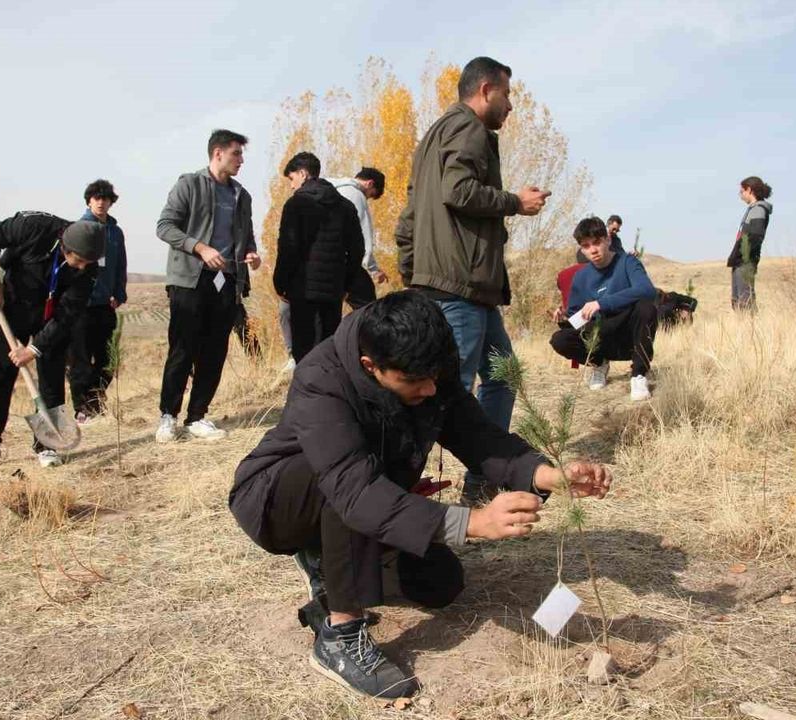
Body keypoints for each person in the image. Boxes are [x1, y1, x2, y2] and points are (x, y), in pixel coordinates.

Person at [229, 290, 613, 698]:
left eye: (436, 377)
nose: (431, 390)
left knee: (439, 582)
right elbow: (354, 489)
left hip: (360, 495)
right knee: (349, 483)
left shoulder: (428, 367)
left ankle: (327, 562)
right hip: (279, 501)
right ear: (370, 366)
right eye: (415, 381)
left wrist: (546, 474)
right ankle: (339, 636)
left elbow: (479, 437)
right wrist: (474, 522)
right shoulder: (321, 379)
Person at [396, 55, 550, 505]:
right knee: (446, 393)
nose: (511, 105)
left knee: (503, 375)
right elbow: (458, 191)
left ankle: (484, 472)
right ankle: (399, 486)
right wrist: (513, 202)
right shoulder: (470, 129)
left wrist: (415, 273)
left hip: (457, 286)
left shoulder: (432, 137)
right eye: (507, 94)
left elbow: (408, 220)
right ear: (485, 90)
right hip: (459, 286)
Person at [0, 212, 106, 486]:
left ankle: (47, 446)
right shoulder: (33, 226)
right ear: (65, 246)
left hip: (51, 316)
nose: (81, 268)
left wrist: (33, 349)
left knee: (52, 378)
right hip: (12, 306)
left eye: (86, 264)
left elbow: (67, 315)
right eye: (77, 261)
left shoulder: (90, 267)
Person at [155, 129, 261, 442]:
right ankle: (168, 416)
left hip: (227, 281)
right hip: (189, 279)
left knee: (215, 350)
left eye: (241, 154)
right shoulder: (189, 184)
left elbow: (247, 235)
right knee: (183, 349)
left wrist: (250, 253)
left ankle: (197, 416)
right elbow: (164, 227)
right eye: (236, 154)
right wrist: (199, 247)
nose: (241, 160)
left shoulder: (242, 195)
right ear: (218, 153)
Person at [548, 217, 657, 400]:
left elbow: (647, 290)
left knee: (645, 307)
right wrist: (565, 318)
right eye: (586, 246)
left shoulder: (627, 262)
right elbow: (577, 315)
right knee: (559, 339)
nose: (593, 250)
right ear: (582, 249)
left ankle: (639, 374)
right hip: (603, 337)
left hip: (630, 334)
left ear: (607, 239)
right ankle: (599, 364)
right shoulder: (581, 277)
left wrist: (601, 303)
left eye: (597, 242)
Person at [274, 152, 365, 362]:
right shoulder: (345, 206)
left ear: (303, 174)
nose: (291, 185)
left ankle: (307, 392)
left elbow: (287, 248)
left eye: (292, 178)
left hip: (301, 291)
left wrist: (280, 284)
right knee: (328, 350)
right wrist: (346, 285)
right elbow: (357, 250)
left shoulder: (295, 205)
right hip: (333, 291)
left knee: (304, 353)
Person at [67, 180, 127, 424]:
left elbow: (120, 265)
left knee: (107, 359)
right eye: (96, 198)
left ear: (111, 202)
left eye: (106, 198)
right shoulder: (78, 228)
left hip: (105, 304)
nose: (101, 202)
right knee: (80, 360)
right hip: (81, 306)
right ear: (88, 201)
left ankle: (95, 400)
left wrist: (119, 294)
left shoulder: (115, 231)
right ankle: (82, 409)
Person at [330, 167, 388, 309]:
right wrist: (374, 270)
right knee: (368, 306)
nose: (367, 198)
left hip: (319, 262)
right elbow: (363, 236)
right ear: (369, 183)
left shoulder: (331, 188)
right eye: (370, 195)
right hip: (341, 260)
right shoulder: (356, 195)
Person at [726, 176, 774, 311]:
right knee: (737, 300)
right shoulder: (753, 209)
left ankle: (750, 329)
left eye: (742, 191)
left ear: (750, 190)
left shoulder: (758, 209)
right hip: (740, 260)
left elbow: (756, 236)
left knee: (745, 301)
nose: (741, 195)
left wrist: (743, 255)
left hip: (745, 261)